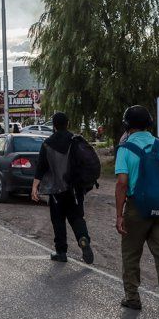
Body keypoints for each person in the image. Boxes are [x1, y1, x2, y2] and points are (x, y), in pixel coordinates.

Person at [115, 105, 159, 319]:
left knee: (131, 253)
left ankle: (133, 298)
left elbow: (122, 183)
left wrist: (119, 214)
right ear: (150, 123)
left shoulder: (125, 149)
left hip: (137, 209)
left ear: (127, 125)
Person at [31, 112, 94, 264]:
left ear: (53, 125)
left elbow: (41, 167)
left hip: (56, 189)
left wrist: (34, 187)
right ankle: (83, 238)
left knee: (58, 220)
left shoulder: (47, 143)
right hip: (75, 189)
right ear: (68, 123)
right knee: (77, 217)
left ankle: (61, 252)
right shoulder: (75, 140)